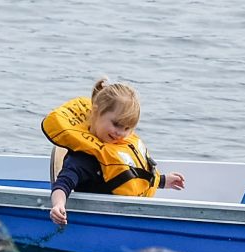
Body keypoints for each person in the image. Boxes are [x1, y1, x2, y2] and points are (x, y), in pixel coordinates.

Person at [43, 76, 184, 227]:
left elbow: (132, 175)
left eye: (127, 128)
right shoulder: (84, 158)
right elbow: (63, 183)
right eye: (116, 124)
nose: (120, 133)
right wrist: (58, 205)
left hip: (130, 214)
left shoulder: (120, 147)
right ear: (96, 112)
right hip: (102, 219)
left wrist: (162, 181)